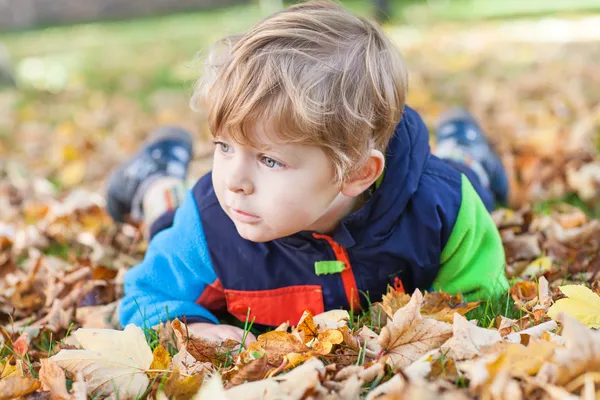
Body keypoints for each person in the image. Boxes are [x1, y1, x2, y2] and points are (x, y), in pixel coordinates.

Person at [107, 0, 509, 344]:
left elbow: (478, 289)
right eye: (223, 146)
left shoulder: (442, 207)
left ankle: (467, 149)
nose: (234, 180)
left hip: (420, 179)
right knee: (167, 217)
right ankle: (155, 176)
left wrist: (440, 324)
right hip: (194, 218)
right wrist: (193, 328)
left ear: (355, 172)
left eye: (269, 160)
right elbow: (146, 297)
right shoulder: (209, 226)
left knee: (470, 180)